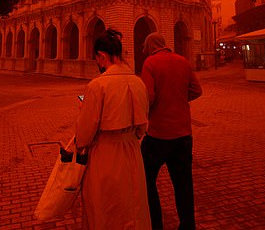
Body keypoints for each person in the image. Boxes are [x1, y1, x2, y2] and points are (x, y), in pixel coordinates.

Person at [76, 28, 151, 229]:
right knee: (133, 206)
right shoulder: (138, 82)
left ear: (102, 55)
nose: (98, 64)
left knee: (105, 209)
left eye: (97, 59)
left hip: (105, 155)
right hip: (133, 152)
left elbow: (83, 135)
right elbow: (143, 126)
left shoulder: (97, 85)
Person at [140, 32, 203, 230]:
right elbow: (196, 90)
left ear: (150, 46)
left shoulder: (150, 63)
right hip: (184, 134)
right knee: (184, 183)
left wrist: (148, 111)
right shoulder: (182, 61)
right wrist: (178, 100)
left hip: (158, 135)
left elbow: (148, 97)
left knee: (145, 179)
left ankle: (155, 224)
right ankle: (187, 225)